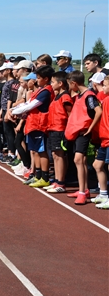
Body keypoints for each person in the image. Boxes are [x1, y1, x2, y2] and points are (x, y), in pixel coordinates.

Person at [11, 65, 55, 188]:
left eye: (39, 78)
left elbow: (31, 105)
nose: (36, 80)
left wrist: (14, 111)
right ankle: (37, 175)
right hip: (32, 124)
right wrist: (14, 109)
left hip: (40, 125)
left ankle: (44, 177)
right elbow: (28, 103)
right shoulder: (40, 90)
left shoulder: (46, 91)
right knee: (34, 151)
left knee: (41, 152)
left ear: (46, 79)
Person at [64, 70, 102, 204]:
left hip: (84, 131)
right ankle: (84, 189)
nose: (69, 88)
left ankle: (82, 193)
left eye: (69, 84)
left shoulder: (89, 96)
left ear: (74, 83)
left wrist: (90, 128)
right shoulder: (80, 95)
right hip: (77, 131)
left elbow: (98, 111)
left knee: (78, 159)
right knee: (82, 160)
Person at [44, 71, 74, 193]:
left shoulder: (65, 97)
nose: (51, 84)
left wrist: (68, 131)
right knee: (55, 155)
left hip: (60, 129)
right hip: (52, 128)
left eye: (52, 82)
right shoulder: (57, 96)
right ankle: (56, 181)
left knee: (59, 155)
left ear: (60, 83)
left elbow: (70, 114)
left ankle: (61, 182)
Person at [91, 75, 109, 209]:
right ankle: (103, 194)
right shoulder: (105, 99)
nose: (103, 88)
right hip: (104, 138)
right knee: (97, 165)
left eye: (106, 86)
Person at [0, 62, 19, 163]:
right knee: (6, 132)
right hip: (4, 109)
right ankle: (11, 151)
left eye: (3, 70)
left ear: (8, 71)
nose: (1, 72)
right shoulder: (6, 82)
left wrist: (8, 111)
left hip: (9, 110)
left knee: (10, 132)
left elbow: (11, 98)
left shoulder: (12, 83)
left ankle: (12, 153)